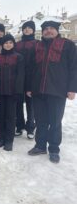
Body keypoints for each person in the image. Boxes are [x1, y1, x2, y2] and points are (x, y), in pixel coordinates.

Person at [26, 21, 77, 163]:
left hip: (57, 90)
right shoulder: (37, 46)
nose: (48, 31)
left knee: (55, 121)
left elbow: (74, 67)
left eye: (51, 28)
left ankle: (54, 149)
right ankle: (40, 145)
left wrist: (72, 88)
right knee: (40, 120)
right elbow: (30, 68)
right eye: (45, 29)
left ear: (57, 30)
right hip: (38, 90)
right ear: (42, 32)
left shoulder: (68, 45)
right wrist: (29, 87)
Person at [0, 34, 24, 151]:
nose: (8, 45)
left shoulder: (19, 57)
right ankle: (0, 138)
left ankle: (9, 140)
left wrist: (18, 91)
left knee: (11, 117)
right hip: (0, 91)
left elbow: (21, 75)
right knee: (0, 115)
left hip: (13, 92)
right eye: (6, 43)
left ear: (13, 44)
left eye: (10, 42)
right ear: (2, 44)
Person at [15, 21, 37, 138]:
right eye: (25, 28)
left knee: (30, 104)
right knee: (18, 103)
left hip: (31, 78)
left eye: (29, 28)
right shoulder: (18, 44)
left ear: (33, 30)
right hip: (19, 77)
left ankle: (30, 128)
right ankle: (19, 125)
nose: (27, 30)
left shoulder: (36, 43)